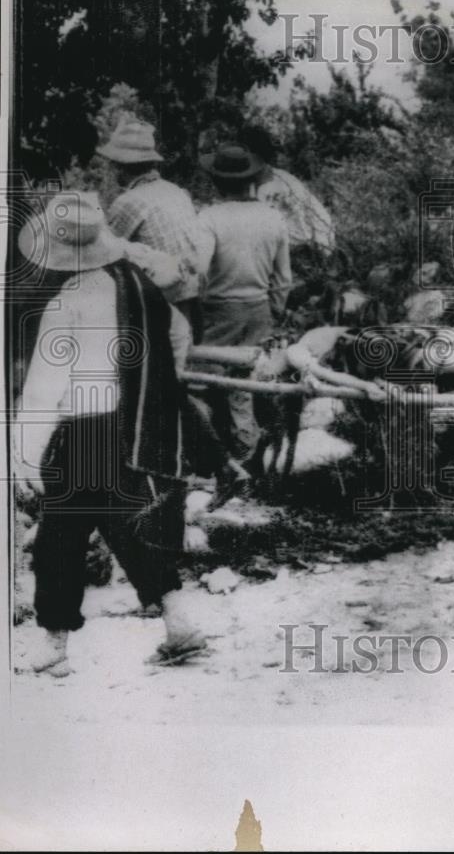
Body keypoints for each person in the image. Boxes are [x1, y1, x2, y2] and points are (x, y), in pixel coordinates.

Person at [14, 192, 207, 675]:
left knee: (60, 539)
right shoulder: (138, 285)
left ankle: (54, 646)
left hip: (81, 435)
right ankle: (179, 624)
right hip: (133, 431)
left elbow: (42, 388)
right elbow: (178, 338)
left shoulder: (66, 303)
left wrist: (23, 455)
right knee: (133, 530)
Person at [198, 143, 293, 460]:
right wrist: (274, 311)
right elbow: (284, 279)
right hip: (259, 307)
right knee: (247, 380)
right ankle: (250, 449)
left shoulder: (209, 218)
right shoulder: (273, 218)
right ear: (252, 179)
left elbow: (198, 271)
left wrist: (194, 310)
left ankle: (217, 452)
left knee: (202, 377)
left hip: (219, 310)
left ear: (216, 181)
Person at [97, 115, 204, 338]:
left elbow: (105, 253)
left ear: (120, 167)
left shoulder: (128, 201)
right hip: (191, 295)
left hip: (162, 296)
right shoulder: (176, 191)